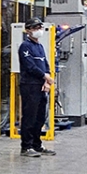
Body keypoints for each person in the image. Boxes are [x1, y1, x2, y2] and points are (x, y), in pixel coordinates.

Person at [18, 17, 57, 157]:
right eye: (35, 28)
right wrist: (45, 76)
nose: (39, 30)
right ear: (28, 30)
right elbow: (30, 66)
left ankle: (37, 145)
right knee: (30, 116)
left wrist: (47, 81)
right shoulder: (25, 46)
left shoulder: (40, 46)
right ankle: (26, 147)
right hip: (30, 85)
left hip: (41, 86)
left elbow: (45, 64)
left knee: (40, 117)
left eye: (40, 27)